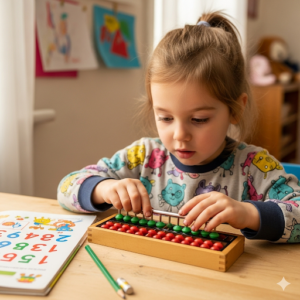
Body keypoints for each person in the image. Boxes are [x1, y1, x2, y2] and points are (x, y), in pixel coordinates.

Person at [57, 12, 300, 243]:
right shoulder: (143, 157)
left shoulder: (253, 167)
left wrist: (247, 213)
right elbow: (67, 187)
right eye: (165, 118)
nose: (180, 135)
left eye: (199, 119)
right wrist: (103, 188)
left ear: (236, 109)